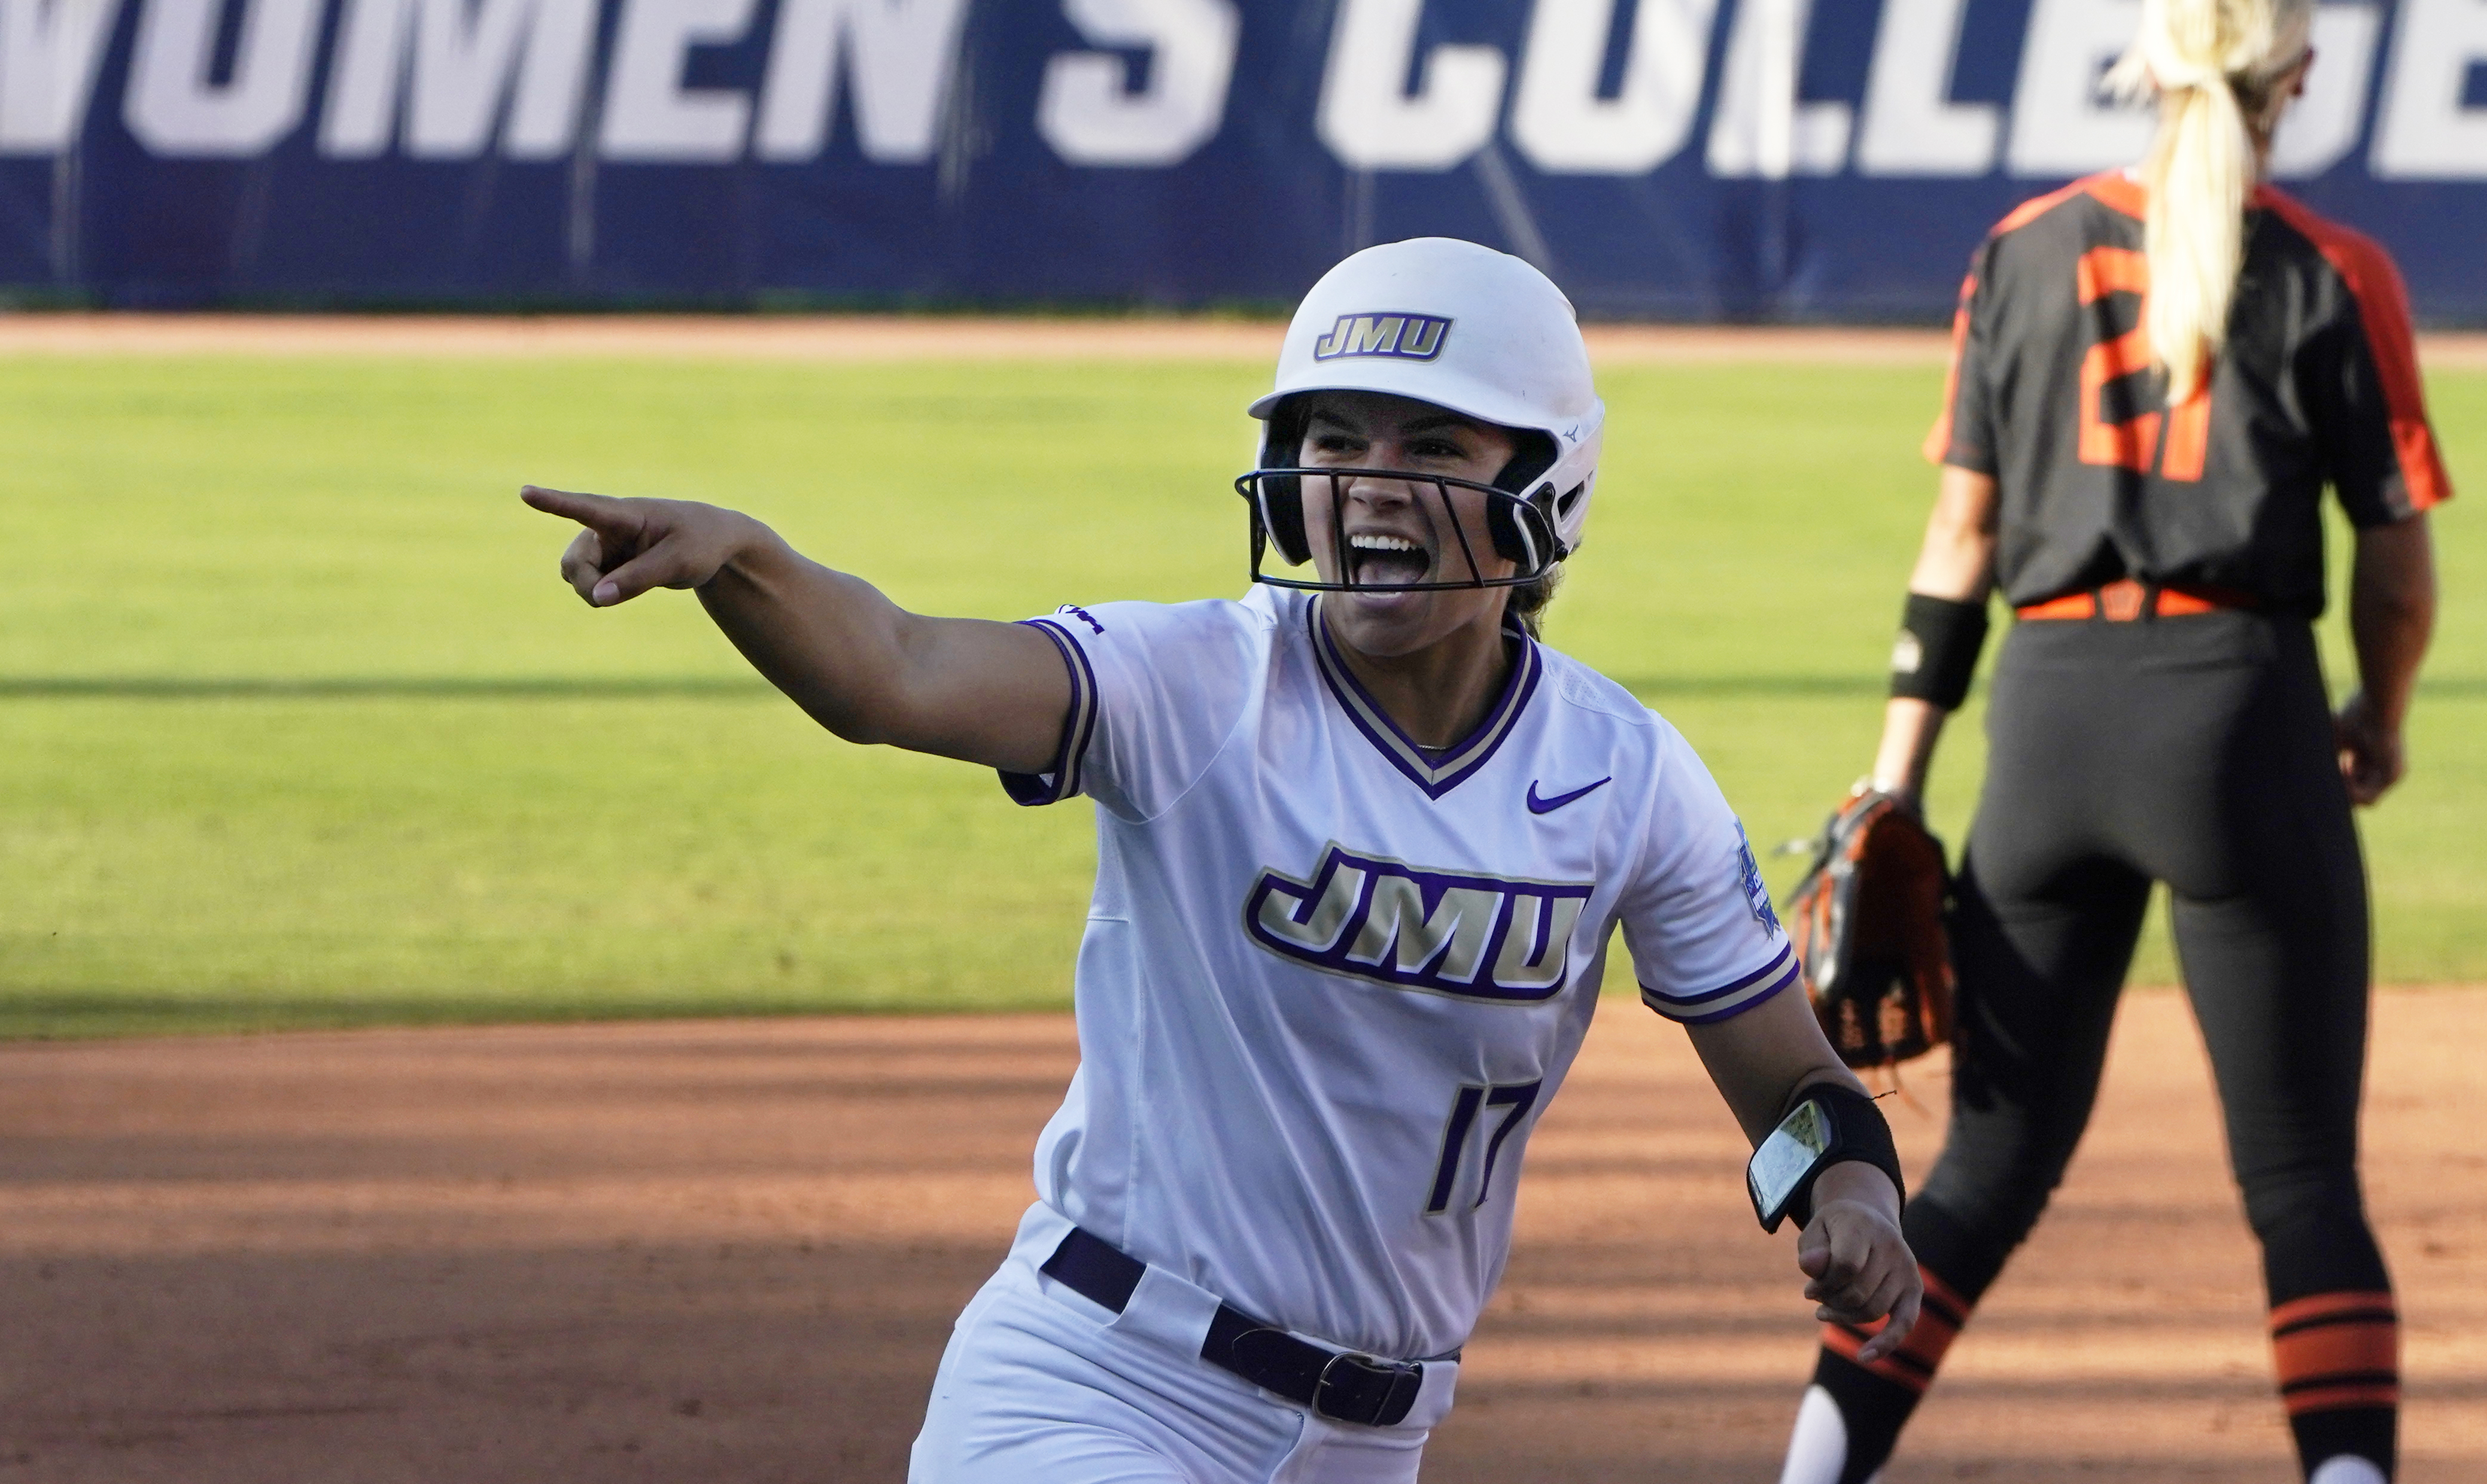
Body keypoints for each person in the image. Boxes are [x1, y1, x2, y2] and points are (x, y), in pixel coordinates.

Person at [525, 236, 1920, 1483]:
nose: (1365, 484)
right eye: (1330, 439)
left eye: (1431, 446)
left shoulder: (1627, 779)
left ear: (1546, 488)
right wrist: (743, 562)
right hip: (1093, 1387)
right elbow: (893, 670)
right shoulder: (1190, 686)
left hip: (1375, 1441)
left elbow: (1798, 1087)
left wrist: (1847, 1191)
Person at [1775, 0, 2448, 1484]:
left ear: (2139, 61)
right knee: (2297, 1185)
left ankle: (1809, 1472)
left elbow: (1955, 544)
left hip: (2046, 731)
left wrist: (1892, 781)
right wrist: (2380, 714)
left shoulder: (2017, 249)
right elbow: (2396, 578)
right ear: (2298, 73)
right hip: (2241, 714)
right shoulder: (2334, 272)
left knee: (1983, 1167)